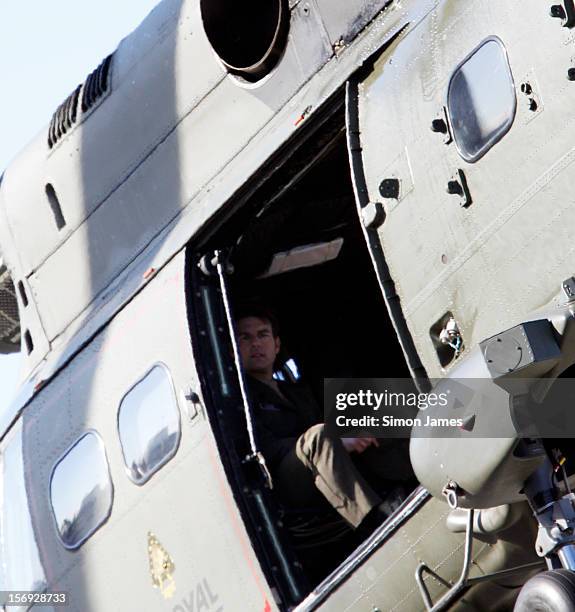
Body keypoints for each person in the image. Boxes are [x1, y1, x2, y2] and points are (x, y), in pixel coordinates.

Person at [235, 306, 408, 533]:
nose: (255, 344)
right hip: (286, 478)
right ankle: (374, 523)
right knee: (319, 436)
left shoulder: (297, 391)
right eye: (245, 338)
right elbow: (265, 450)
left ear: (276, 345)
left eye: (262, 335)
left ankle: (416, 478)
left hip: (323, 457)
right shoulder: (240, 402)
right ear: (233, 350)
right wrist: (333, 439)